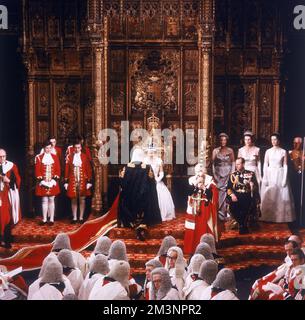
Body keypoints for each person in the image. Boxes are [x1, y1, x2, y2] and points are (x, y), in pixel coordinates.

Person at [118, 148, 161, 241]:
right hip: (144, 198)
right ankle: (142, 224)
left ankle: (131, 222)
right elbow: (152, 184)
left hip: (130, 199)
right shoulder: (148, 167)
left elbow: (122, 183)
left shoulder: (127, 168)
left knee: (125, 200)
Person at [261, 133, 296, 223]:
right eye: (272, 139)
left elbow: (285, 165)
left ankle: (279, 217)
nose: (273, 141)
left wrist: (284, 178)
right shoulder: (268, 151)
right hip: (270, 173)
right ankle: (268, 217)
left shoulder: (283, 151)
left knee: (280, 195)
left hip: (279, 173)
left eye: (275, 139)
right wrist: (265, 177)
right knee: (270, 194)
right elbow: (265, 164)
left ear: (278, 140)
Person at [184, 166, 219, 254]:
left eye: (201, 170)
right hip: (194, 206)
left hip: (205, 207)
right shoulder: (192, 180)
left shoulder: (210, 180)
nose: (199, 172)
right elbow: (188, 192)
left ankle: (206, 249)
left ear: (205, 171)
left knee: (203, 227)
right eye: (198, 171)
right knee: (193, 227)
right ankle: (192, 248)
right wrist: (196, 185)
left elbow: (212, 194)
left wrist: (203, 188)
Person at [227, 157, 260, 234]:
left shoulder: (250, 174)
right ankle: (242, 224)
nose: (237, 166)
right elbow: (228, 188)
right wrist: (232, 195)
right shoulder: (233, 175)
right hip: (237, 195)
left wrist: (252, 186)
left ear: (243, 164)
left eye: (239, 164)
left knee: (248, 205)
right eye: (236, 164)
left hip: (247, 195)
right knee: (234, 206)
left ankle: (242, 224)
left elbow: (256, 187)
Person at [64, 141, 92, 224]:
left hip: (82, 180)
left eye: (78, 147)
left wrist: (89, 181)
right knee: (73, 199)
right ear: (73, 148)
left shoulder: (84, 157)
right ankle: (75, 218)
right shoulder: (69, 157)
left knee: (82, 199)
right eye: (75, 148)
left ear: (81, 148)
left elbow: (88, 169)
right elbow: (67, 169)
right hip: (73, 180)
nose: (77, 149)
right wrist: (66, 181)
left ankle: (81, 217)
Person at [144, 147, 175, 222]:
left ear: (155, 153)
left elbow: (161, 172)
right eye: (149, 152)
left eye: (152, 152)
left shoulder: (158, 161)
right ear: (147, 153)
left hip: (157, 181)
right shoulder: (145, 161)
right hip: (147, 181)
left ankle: (160, 214)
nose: (151, 154)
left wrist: (157, 179)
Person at [35, 141, 61, 226]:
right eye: (46, 148)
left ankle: (52, 218)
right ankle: (44, 219)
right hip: (43, 183)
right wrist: (42, 181)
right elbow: (37, 171)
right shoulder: (39, 158)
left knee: (51, 200)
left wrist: (53, 180)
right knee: (44, 200)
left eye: (50, 148)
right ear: (44, 148)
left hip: (52, 182)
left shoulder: (55, 157)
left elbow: (58, 170)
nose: (48, 150)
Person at [0, 149, 21, 249]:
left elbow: (17, 180)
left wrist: (8, 180)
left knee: (7, 216)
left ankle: (7, 239)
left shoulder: (11, 166)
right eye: (0, 157)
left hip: (6, 195)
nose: (2, 158)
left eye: (4, 156)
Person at [212, 133, 235, 221]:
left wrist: (232, 174)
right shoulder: (215, 150)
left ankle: (227, 213)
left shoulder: (230, 150)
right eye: (221, 140)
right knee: (220, 193)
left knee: (228, 191)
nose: (223, 142)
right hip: (219, 173)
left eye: (225, 140)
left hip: (228, 173)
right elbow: (213, 164)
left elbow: (233, 162)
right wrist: (215, 175)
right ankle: (220, 213)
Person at [289, 137, 305, 228]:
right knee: (294, 198)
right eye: (294, 142)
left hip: (302, 178)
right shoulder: (290, 153)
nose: (295, 144)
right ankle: (293, 222)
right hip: (293, 177)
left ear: (302, 144)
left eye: (298, 143)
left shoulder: (304, 153)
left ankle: (302, 220)